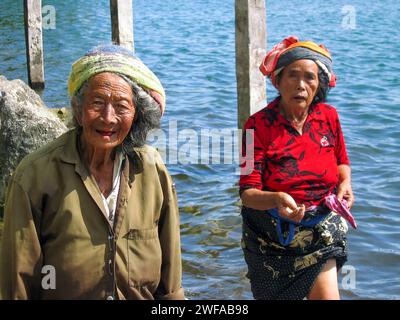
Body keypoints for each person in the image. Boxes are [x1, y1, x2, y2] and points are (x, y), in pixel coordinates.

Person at [0, 45, 184, 300]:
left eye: (121, 106)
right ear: (78, 109)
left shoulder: (152, 170)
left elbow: (171, 283)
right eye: (97, 103)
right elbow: (16, 286)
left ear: (136, 115)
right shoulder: (34, 176)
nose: (108, 118)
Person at [239, 36, 356, 300]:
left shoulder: (329, 117)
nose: (301, 85)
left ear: (319, 84)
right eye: (292, 75)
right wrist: (277, 198)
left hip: (321, 229)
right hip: (272, 237)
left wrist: (345, 183)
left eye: (309, 77)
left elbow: (342, 162)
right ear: (277, 81)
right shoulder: (254, 126)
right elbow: (247, 192)